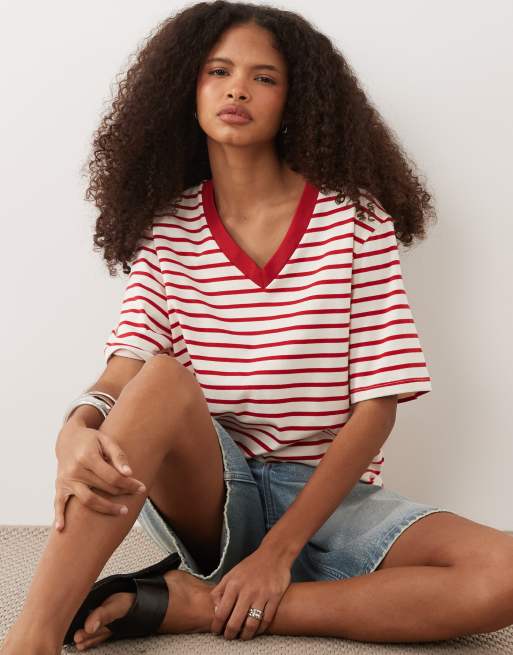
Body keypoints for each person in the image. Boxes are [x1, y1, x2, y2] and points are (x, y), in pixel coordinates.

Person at [3, 2, 513, 653]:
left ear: (295, 99)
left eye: (263, 77)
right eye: (218, 71)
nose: (237, 88)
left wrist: (278, 552)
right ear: (186, 91)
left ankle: (195, 603)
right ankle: (33, 637)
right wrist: (75, 425)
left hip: (328, 495)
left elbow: (376, 407)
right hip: (213, 489)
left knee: (502, 573)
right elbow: (126, 365)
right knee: (160, 377)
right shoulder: (169, 226)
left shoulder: (354, 220)